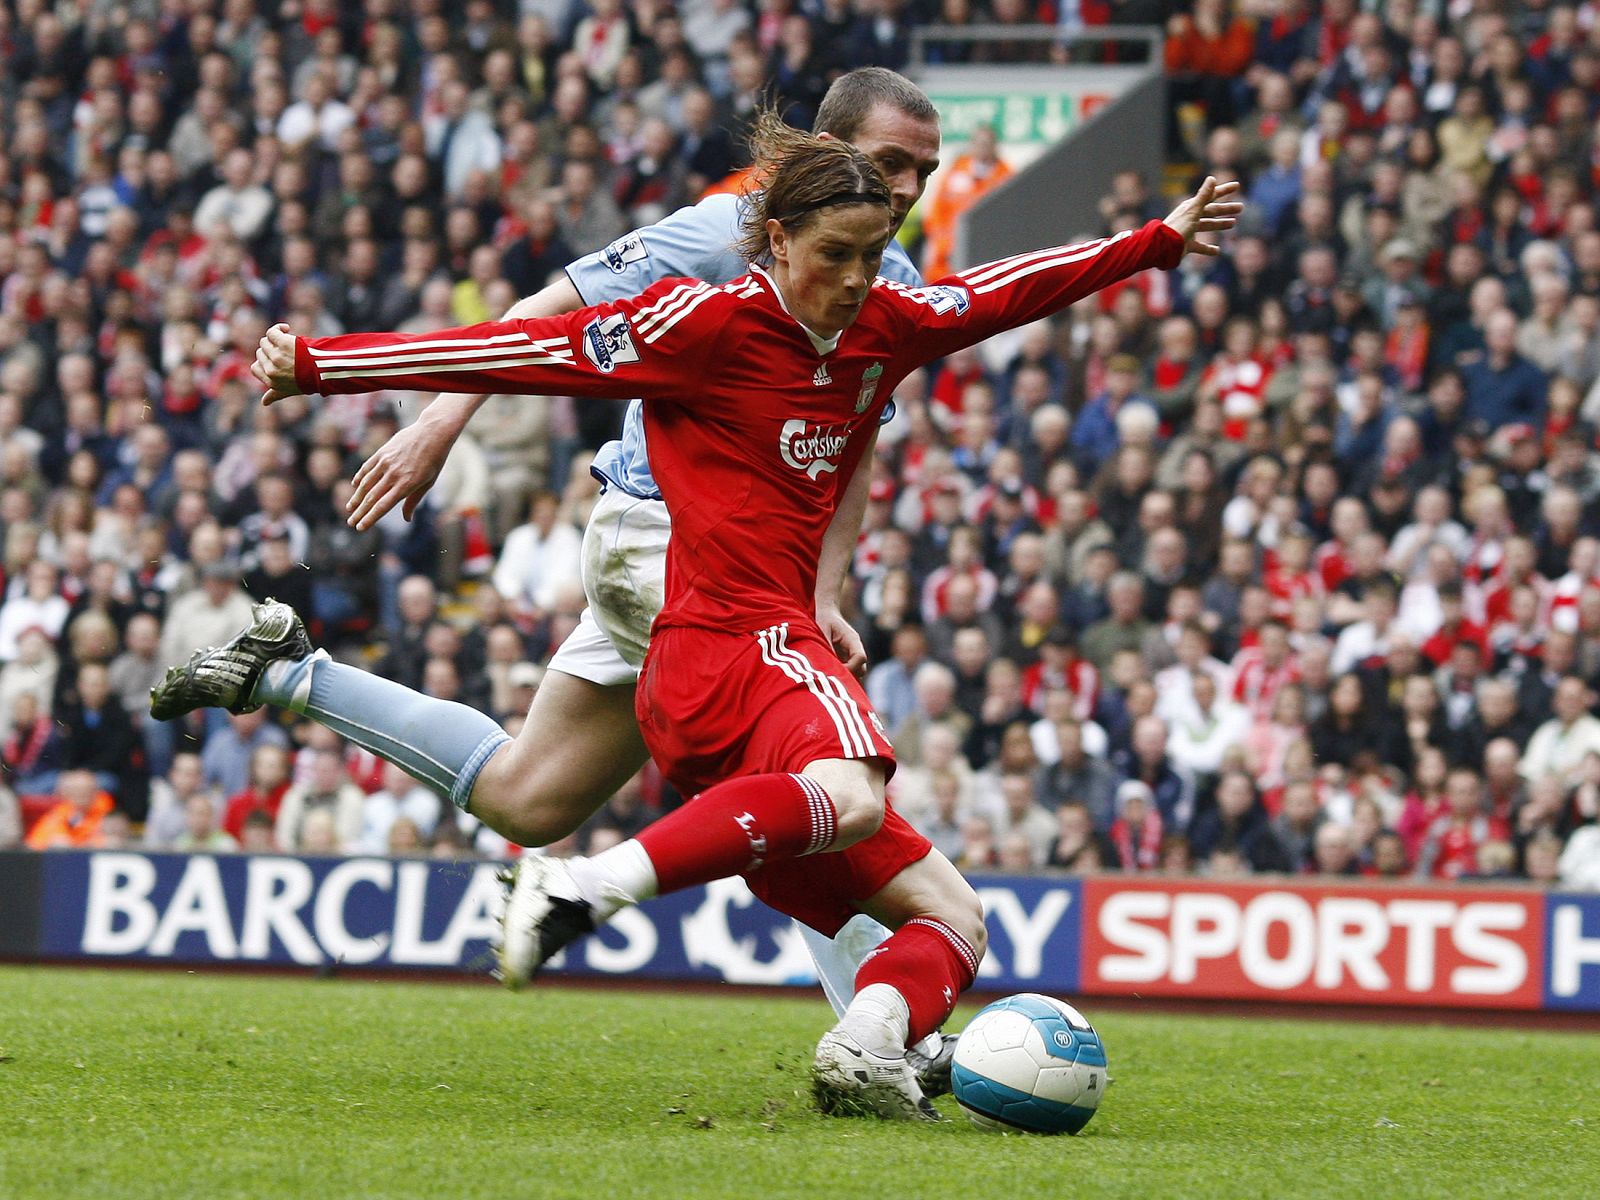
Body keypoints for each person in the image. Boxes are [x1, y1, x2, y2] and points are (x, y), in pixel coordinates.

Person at [159, 118, 1238, 1119]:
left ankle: (867, 1043)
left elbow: (1007, 289)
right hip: (725, 626)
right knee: (847, 787)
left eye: (874, 253)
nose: (856, 278)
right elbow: (530, 347)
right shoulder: (706, 318)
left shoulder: (885, 320)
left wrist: (1155, 241)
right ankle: (586, 887)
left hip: (720, 648)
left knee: (950, 916)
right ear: (777, 235)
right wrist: (326, 367)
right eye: (836, 253)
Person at [320, 68, 958, 1085]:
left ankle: (288, 673)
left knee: (530, 798)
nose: (909, 187)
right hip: (660, 533)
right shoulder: (725, 231)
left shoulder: (879, 271)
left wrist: (823, 593)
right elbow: (549, 310)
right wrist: (440, 420)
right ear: (822, 153)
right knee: (807, 771)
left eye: (924, 170)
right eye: (890, 163)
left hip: (739, 563)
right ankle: (885, 1031)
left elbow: (850, 449)